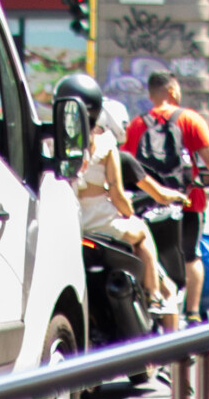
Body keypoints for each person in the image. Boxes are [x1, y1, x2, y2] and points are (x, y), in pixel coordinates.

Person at [124, 71, 209, 328]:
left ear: (151, 95)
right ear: (172, 91)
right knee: (191, 256)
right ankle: (192, 313)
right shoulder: (190, 120)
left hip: (147, 203)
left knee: (150, 254)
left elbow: (127, 165)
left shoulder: (137, 124)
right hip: (187, 201)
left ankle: (153, 300)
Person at [73, 94, 178, 316]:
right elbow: (117, 192)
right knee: (142, 231)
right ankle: (154, 295)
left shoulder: (54, 143)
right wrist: (128, 212)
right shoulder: (105, 144)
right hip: (101, 222)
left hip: (72, 222)